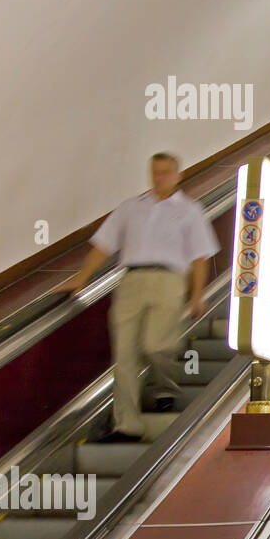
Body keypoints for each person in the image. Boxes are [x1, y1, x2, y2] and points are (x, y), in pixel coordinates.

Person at [61, 152, 219, 441]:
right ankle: (127, 425)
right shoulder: (130, 208)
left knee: (156, 345)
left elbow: (199, 257)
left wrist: (197, 295)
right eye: (155, 172)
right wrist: (82, 278)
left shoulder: (189, 210)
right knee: (124, 354)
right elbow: (104, 245)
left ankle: (165, 389)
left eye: (166, 172)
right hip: (131, 281)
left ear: (178, 175)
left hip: (170, 280)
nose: (160, 178)